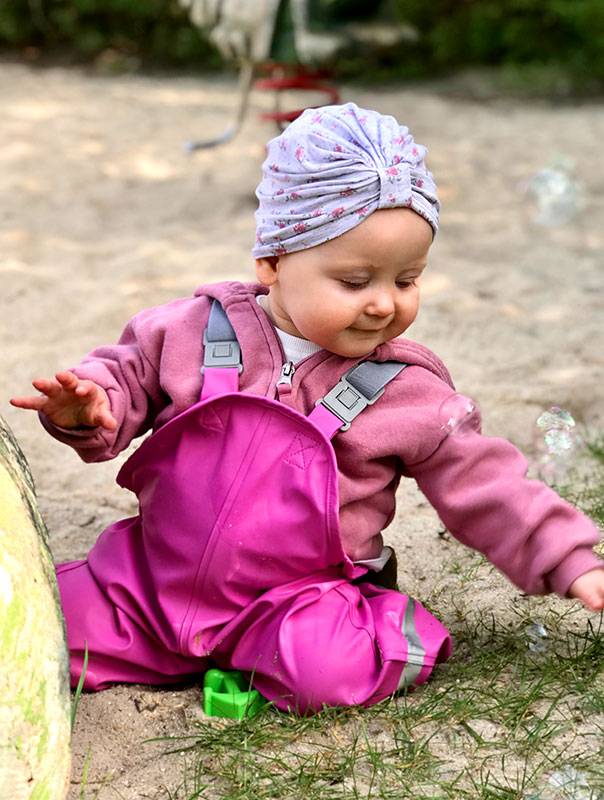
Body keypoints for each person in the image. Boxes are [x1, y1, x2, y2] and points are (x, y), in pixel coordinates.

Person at [11, 103, 604, 713]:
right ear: (272, 262)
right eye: (355, 281)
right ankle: (158, 636)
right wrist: (87, 408)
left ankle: (385, 628)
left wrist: (570, 559)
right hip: (152, 582)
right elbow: (123, 376)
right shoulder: (190, 330)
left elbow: (488, 486)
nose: (382, 305)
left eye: (406, 280)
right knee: (41, 627)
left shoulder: (405, 390)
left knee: (324, 671)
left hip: (296, 601)